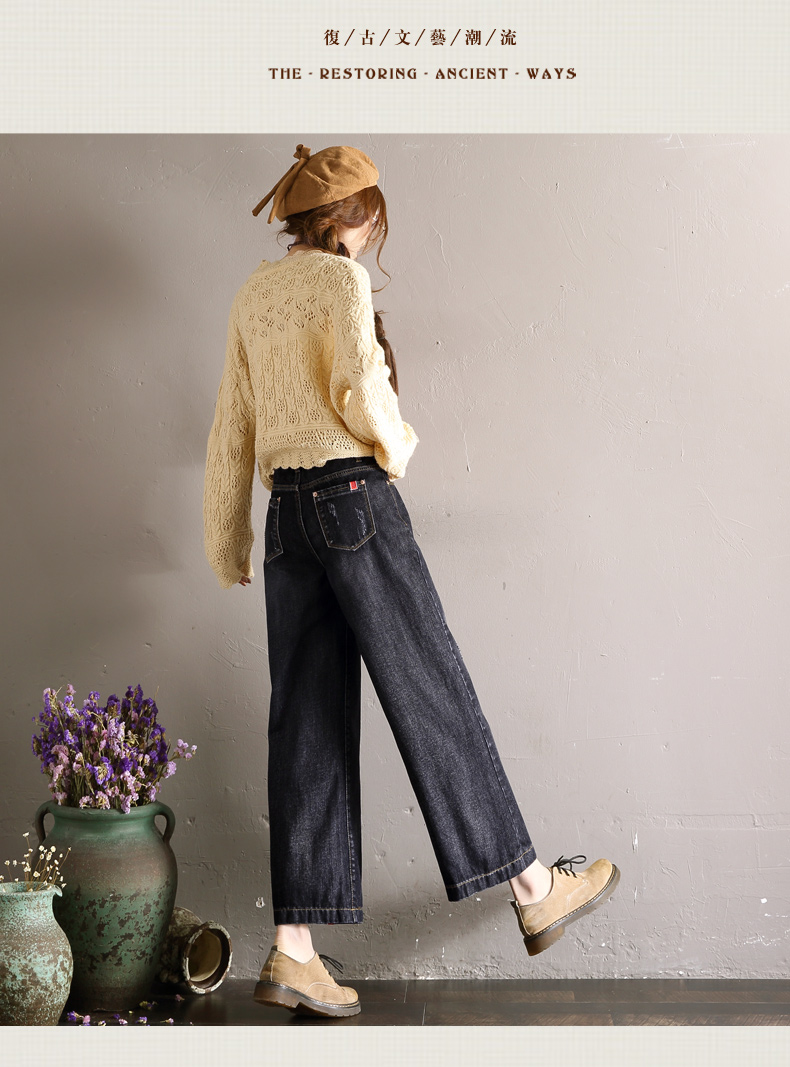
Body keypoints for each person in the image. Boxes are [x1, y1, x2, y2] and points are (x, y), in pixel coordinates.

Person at [203, 143, 620, 1019]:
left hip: (286, 519)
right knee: (427, 685)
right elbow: (361, 384)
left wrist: (226, 538)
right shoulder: (341, 282)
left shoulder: (252, 295)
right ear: (353, 218)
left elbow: (232, 426)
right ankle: (533, 887)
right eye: (372, 220)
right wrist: (395, 448)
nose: (371, 235)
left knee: (305, 720)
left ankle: (294, 951)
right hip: (352, 495)